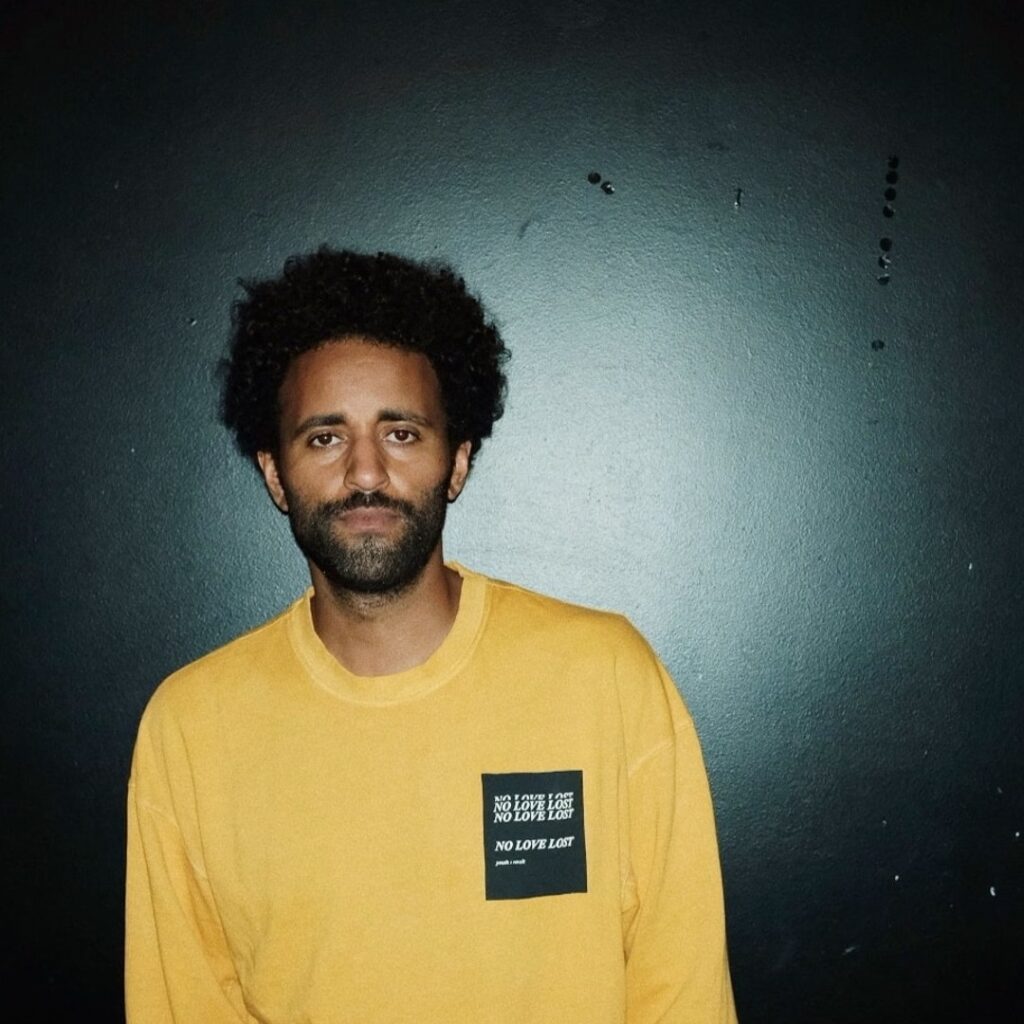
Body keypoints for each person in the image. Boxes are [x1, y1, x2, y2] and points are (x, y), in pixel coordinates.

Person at [125, 246, 738, 1023]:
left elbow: (683, 994)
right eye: (325, 437)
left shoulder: (605, 677)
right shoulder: (191, 728)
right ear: (275, 473)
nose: (366, 473)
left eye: (402, 433)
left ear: (458, 461)